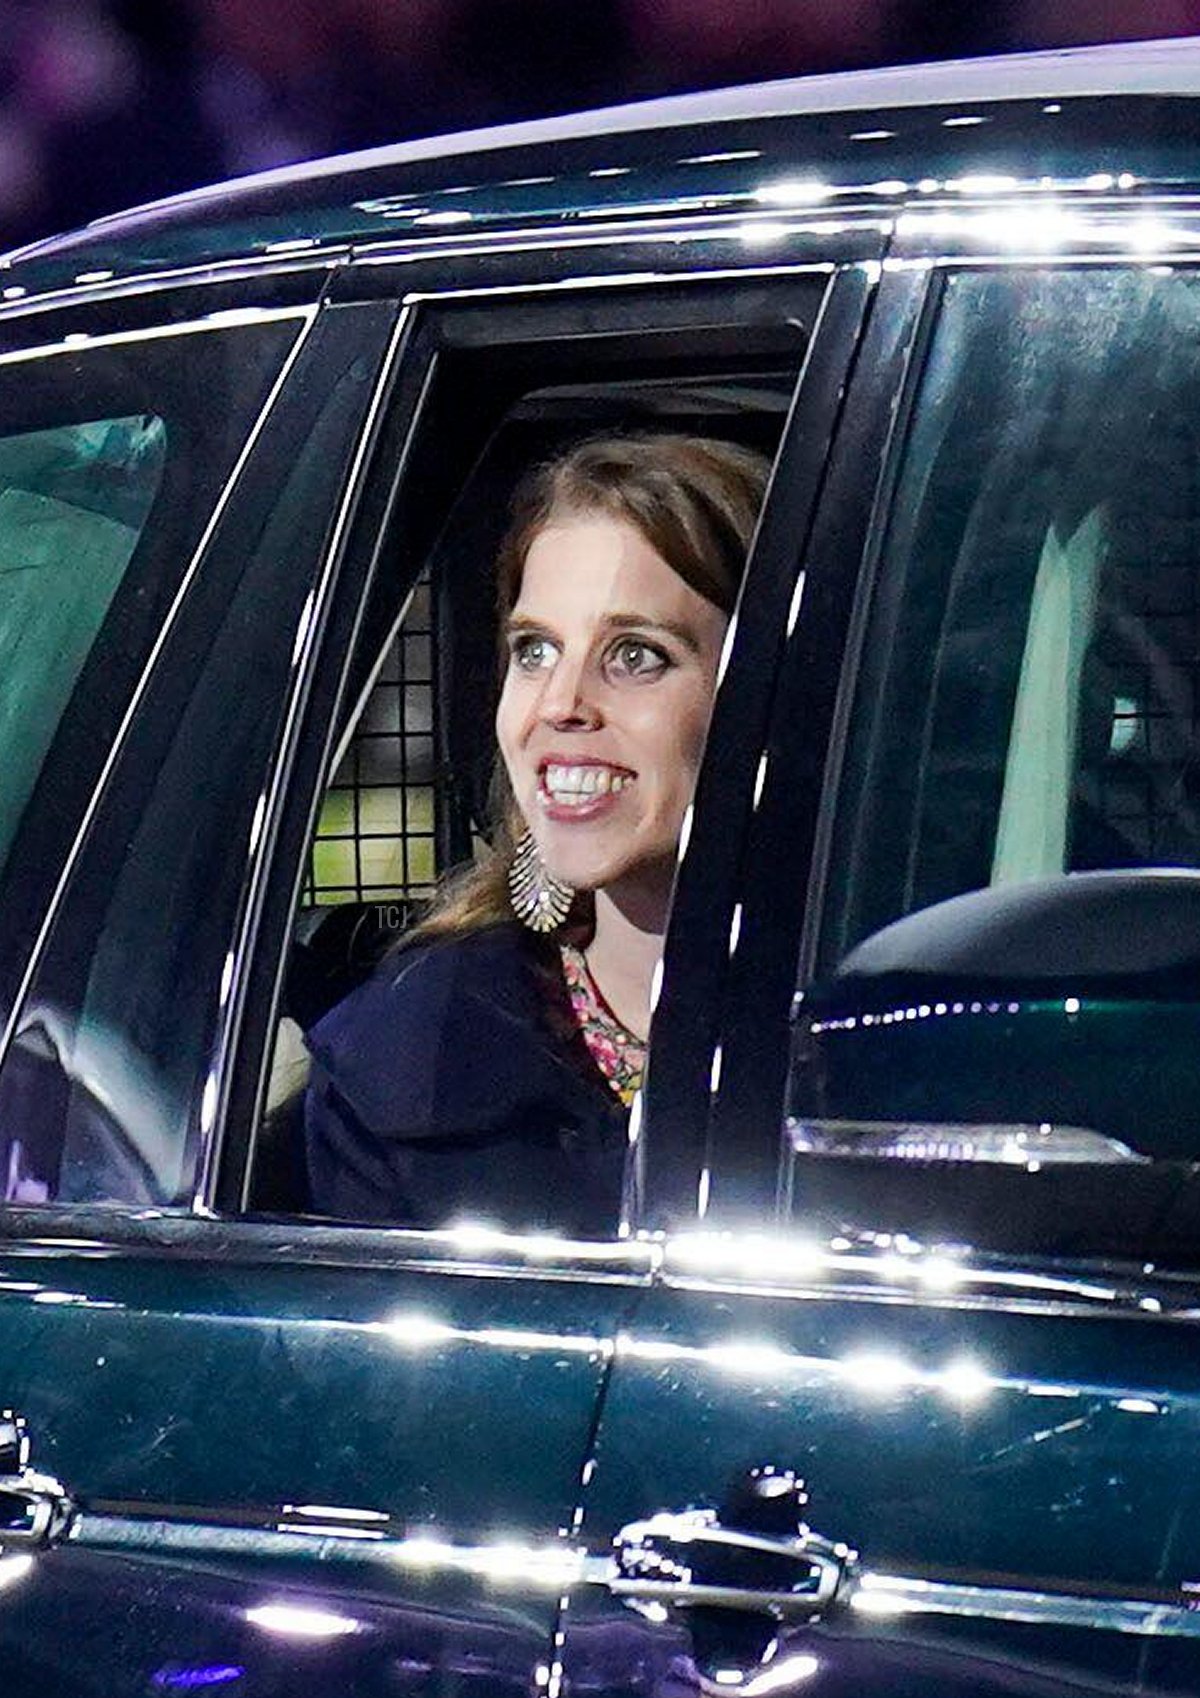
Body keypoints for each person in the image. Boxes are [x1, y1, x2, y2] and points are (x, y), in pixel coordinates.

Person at [304, 433, 770, 1233]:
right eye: (535, 650)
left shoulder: (891, 1033)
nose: (560, 704)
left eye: (634, 655)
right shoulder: (405, 1066)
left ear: (763, 686)